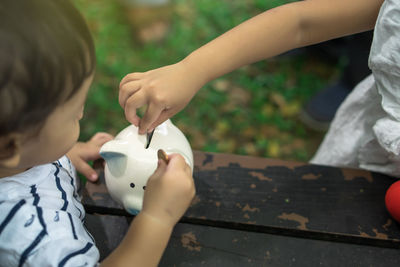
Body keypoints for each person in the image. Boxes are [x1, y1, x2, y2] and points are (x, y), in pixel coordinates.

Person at [0, 0, 195, 266]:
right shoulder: (39, 241)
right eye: (72, 113)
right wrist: (157, 217)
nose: (81, 114)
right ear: (11, 148)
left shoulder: (16, 159)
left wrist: (65, 151)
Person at [119, 0, 400, 177]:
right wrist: (191, 70)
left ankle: (349, 74)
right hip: (368, 134)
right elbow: (301, 22)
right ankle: (330, 49)